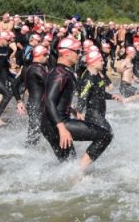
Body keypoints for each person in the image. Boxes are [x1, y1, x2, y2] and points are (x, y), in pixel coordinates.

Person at [40, 38, 113, 174]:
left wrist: (73, 110)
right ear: (67, 53)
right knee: (105, 136)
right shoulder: (60, 73)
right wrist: (61, 128)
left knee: (68, 163)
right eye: (77, 51)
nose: (79, 54)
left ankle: (69, 180)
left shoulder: (62, 71)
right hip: (57, 124)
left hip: (49, 124)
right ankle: (79, 172)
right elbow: (48, 101)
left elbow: (55, 99)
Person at [77, 50, 123, 134]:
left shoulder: (97, 74)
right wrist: (79, 112)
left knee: (107, 135)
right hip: (93, 115)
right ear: (93, 63)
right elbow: (83, 95)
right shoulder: (88, 78)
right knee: (108, 134)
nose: (103, 62)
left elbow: (98, 92)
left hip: (99, 114)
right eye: (101, 61)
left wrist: (112, 96)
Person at [24, 45, 49, 146]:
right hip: (36, 106)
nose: (47, 57)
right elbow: (50, 84)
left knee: (37, 133)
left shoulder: (32, 67)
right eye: (46, 54)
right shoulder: (37, 69)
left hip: (36, 104)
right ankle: (26, 156)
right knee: (34, 135)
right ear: (40, 55)